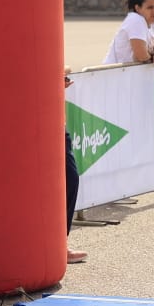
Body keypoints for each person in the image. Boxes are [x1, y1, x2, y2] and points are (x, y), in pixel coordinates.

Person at [103, 0, 154, 65]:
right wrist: (153, 58)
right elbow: (141, 56)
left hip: (132, 73)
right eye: (150, 7)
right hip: (115, 73)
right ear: (138, 8)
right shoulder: (135, 20)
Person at [62, 71, 86, 265]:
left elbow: (65, 67)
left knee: (71, 179)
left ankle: (61, 243)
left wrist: (58, 77)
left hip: (57, 126)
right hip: (39, 122)